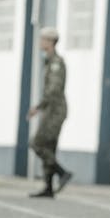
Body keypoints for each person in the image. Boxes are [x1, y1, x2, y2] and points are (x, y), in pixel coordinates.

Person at [27, 27, 73, 198]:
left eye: (43, 39)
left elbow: (53, 90)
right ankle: (48, 187)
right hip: (51, 110)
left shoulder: (56, 63)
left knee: (37, 143)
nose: (40, 42)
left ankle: (62, 173)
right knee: (48, 147)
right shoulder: (49, 61)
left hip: (55, 111)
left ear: (50, 42)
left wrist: (38, 107)